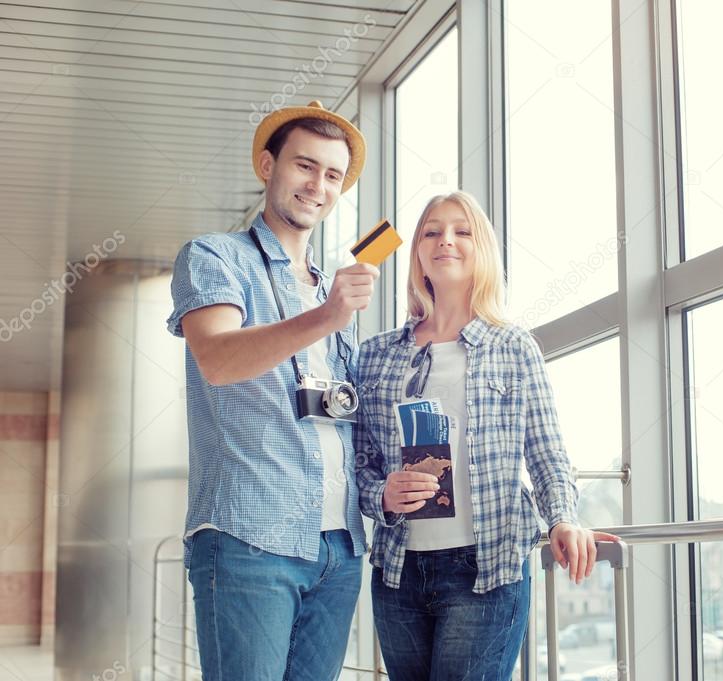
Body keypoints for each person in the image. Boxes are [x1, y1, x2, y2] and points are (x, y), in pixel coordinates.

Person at [355, 191, 618, 680]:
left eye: (462, 231)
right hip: (397, 573)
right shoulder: (375, 355)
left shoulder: (514, 348)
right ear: (416, 252)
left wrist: (562, 519)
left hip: (486, 570)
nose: (445, 241)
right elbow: (360, 463)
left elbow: (546, 452)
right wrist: (382, 494)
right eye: (431, 231)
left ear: (483, 250)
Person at [166, 100, 379, 681]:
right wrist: (326, 317)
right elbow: (217, 358)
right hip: (249, 537)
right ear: (267, 165)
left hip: (338, 546)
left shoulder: (331, 288)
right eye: (304, 166)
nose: (318, 185)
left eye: (333, 175)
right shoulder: (215, 256)